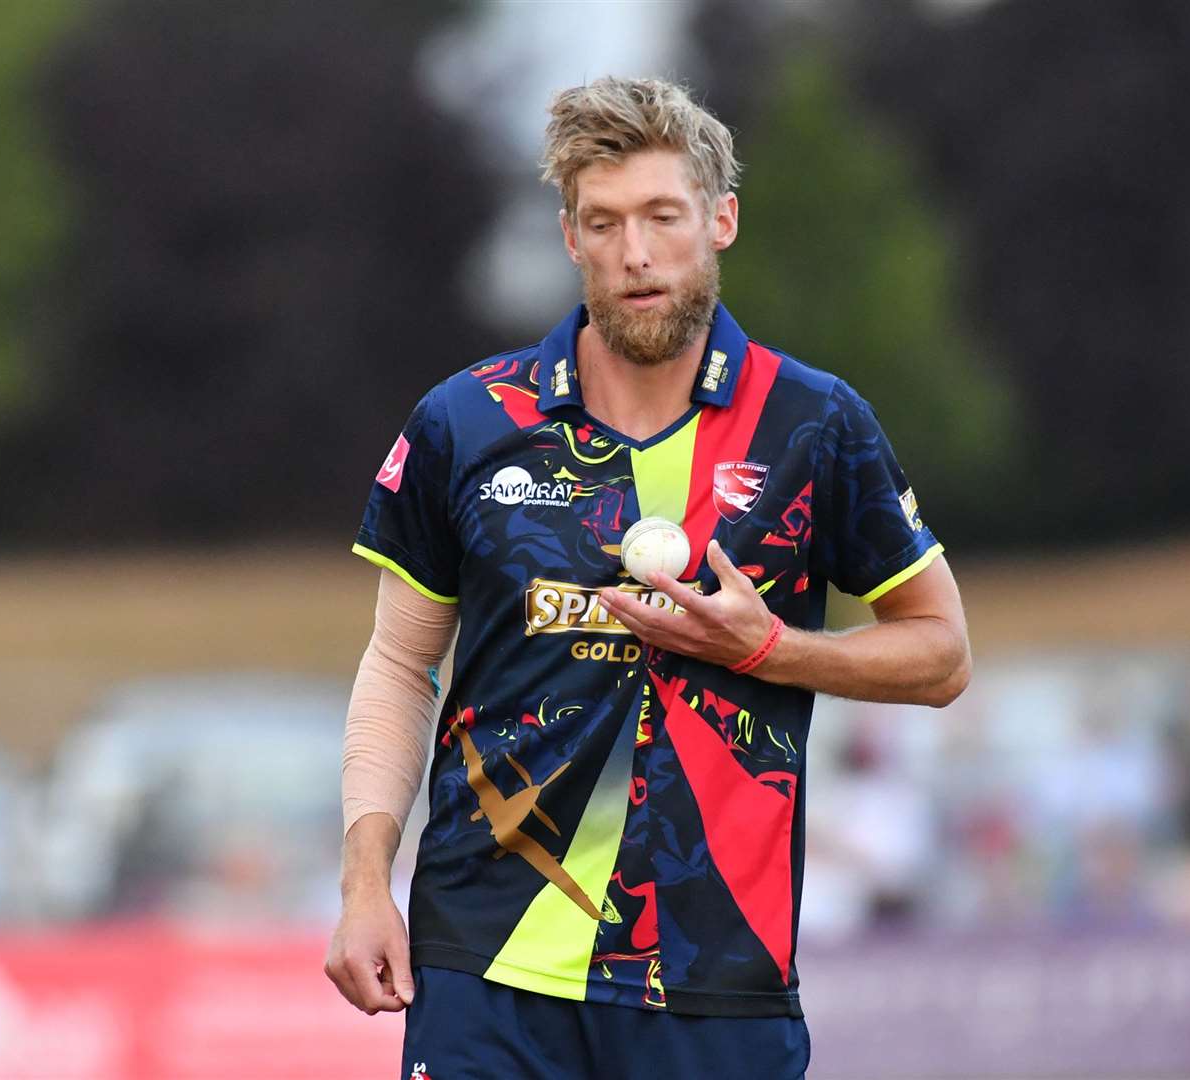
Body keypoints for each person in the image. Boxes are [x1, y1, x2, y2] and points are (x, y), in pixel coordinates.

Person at [324, 76, 970, 1080]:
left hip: (716, 982)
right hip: (487, 967)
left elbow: (941, 654)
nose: (636, 253)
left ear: (720, 221)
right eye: (605, 222)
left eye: (663, 217)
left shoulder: (814, 424)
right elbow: (399, 669)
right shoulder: (468, 422)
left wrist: (769, 648)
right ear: (570, 236)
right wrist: (366, 882)